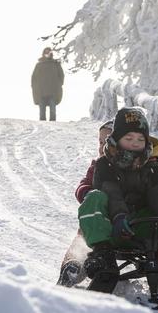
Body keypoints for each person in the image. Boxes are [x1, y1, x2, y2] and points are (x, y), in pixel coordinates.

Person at [78, 107, 158, 296]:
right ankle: (103, 257)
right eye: (129, 138)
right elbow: (111, 191)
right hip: (114, 228)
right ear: (117, 138)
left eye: (140, 139)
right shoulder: (104, 164)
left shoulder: (153, 166)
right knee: (94, 197)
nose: (135, 144)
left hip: (146, 228)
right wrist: (119, 216)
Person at [56, 119, 114, 287]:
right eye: (100, 142)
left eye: (107, 141)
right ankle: (73, 267)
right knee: (82, 239)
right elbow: (83, 184)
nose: (102, 146)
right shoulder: (97, 165)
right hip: (97, 221)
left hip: (124, 222)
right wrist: (86, 192)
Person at [31, 47, 64, 121]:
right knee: (42, 112)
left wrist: (59, 84)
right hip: (41, 91)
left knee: (53, 111)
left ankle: (53, 128)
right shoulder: (39, 65)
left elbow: (61, 76)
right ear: (43, 53)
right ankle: (44, 130)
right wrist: (35, 87)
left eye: (48, 52)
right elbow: (34, 78)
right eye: (46, 52)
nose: (47, 54)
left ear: (51, 53)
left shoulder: (56, 64)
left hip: (53, 91)